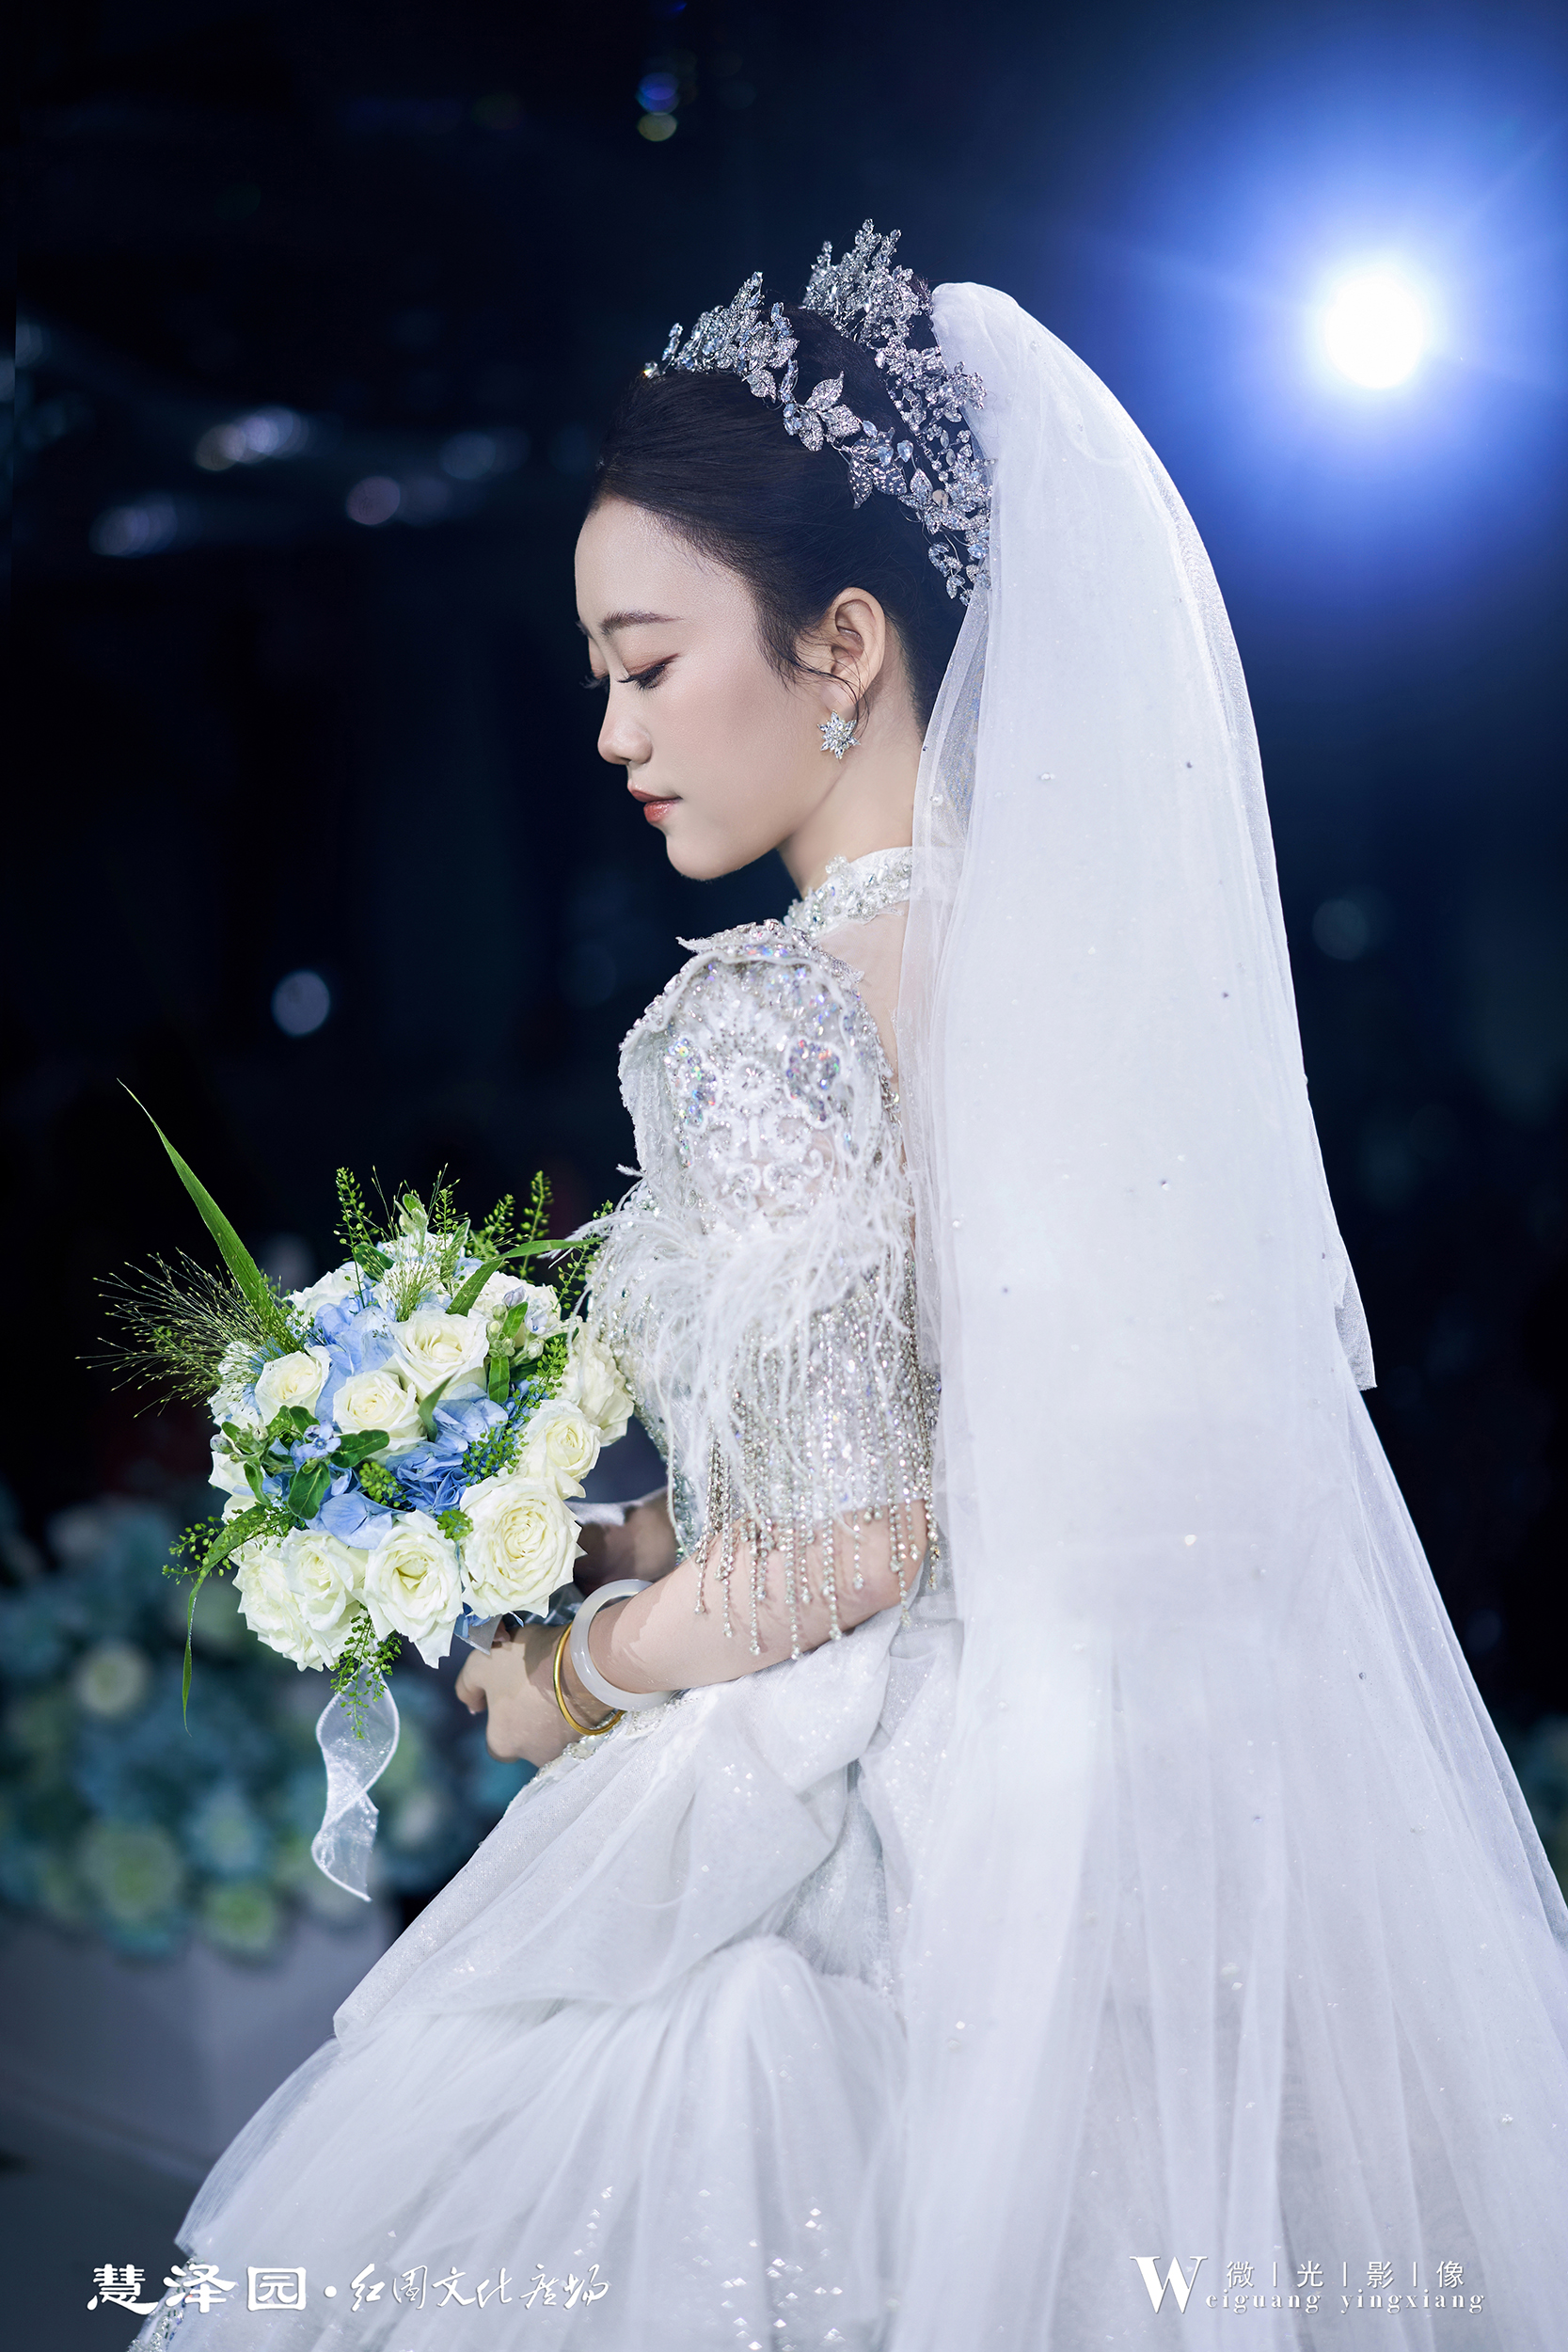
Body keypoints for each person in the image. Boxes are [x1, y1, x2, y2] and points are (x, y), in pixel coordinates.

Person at [135, 228, 1568, 2351]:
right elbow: (969, 1432)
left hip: (865, 1844)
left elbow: (861, 1537)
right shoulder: (1076, 972)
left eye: (645, 662)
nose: (612, 727)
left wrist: (572, 1672)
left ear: (842, 647)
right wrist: (611, 1528)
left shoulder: (769, 1014)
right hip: (1123, 1803)